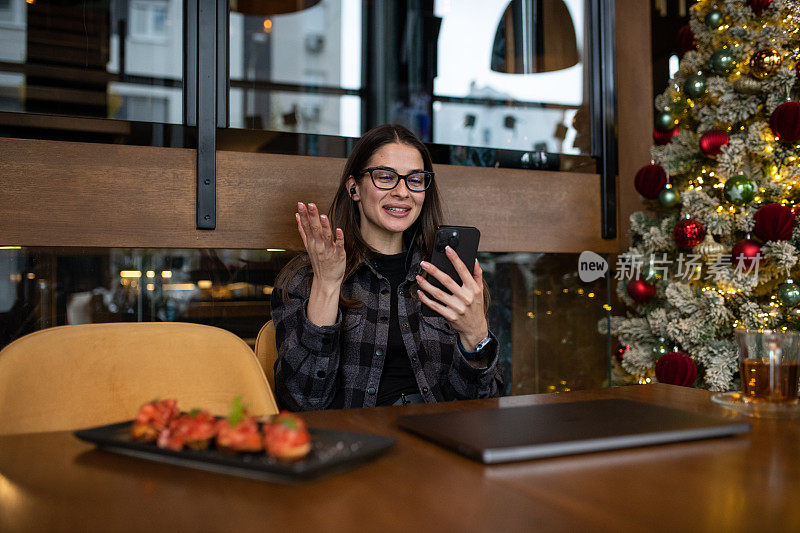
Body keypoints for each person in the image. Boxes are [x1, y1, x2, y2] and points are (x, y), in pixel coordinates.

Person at [271, 124, 503, 410]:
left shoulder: (449, 275)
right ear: (353, 188)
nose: (403, 192)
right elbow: (302, 402)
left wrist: (475, 336)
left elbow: (482, 403)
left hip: (440, 434)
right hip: (357, 440)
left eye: (415, 180)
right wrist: (327, 285)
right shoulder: (306, 275)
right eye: (385, 177)